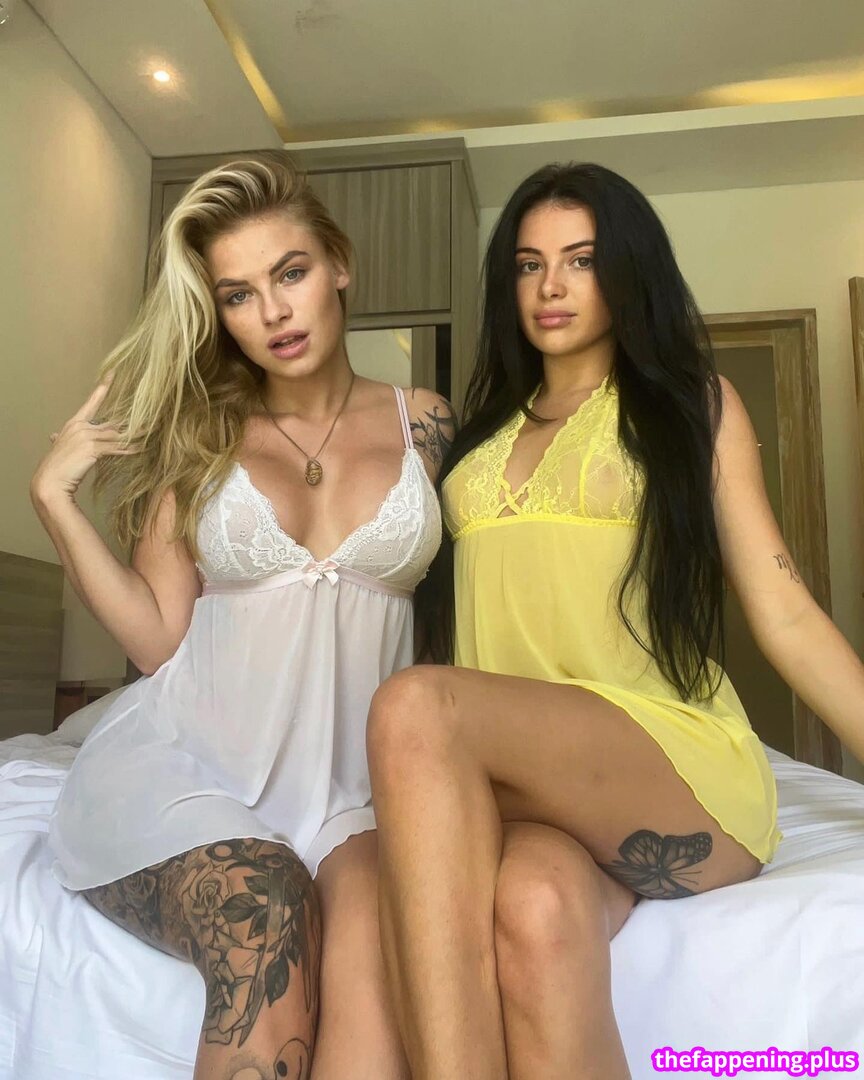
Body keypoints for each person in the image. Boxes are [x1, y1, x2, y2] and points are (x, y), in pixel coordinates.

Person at [365, 162, 864, 1080]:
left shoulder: (689, 407)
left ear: (627, 269)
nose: (550, 285)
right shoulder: (477, 436)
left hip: (667, 761)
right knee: (536, 908)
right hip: (536, 785)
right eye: (529, 264)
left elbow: (786, 611)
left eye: (581, 259)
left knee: (415, 705)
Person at [32, 156, 453, 1079]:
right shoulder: (201, 437)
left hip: (357, 790)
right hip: (197, 765)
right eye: (238, 295)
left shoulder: (427, 425)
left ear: (338, 264)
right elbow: (157, 640)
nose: (273, 312)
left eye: (290, 273)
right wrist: (54, 504)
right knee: (266, 908)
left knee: (377, 945)